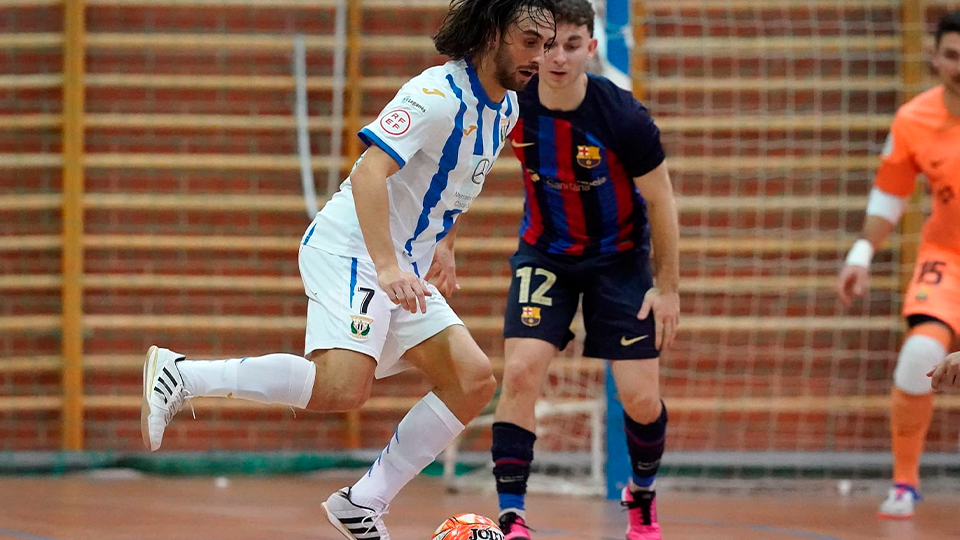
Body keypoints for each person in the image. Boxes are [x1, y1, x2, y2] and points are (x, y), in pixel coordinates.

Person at [140, 2, 556, 538]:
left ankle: (362, 503)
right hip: (352, 249)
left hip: (399, 262)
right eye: (530, 41)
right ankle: (183, 375)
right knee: (342, 389)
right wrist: (386, 267)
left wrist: (445, 247)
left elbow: (456, 185)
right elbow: (367, 175)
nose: (540, 57)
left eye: (546, 45)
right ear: (494, 33)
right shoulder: (435, 96)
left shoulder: (506, 110)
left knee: (472, 380)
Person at [441, 1, 679, 538]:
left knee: (641, 399)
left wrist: (667, 288)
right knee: (521, 373)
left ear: (590, 49)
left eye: (572, 45)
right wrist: (447, 242)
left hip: (619, 262)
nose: (558, 57)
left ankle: (640, 495)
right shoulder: (513, 104)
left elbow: (662, 202)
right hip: (545, 254)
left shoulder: (623, 117)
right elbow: (462, 167)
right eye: (548, 45)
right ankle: (512, 517)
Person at [837, 9, 960, 521]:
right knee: (917, 360)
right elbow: (890, 197)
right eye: (952, 55)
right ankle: (905, 483)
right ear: (934, 58)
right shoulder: (914, 118)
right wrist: (861, 254)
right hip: (947, 259)